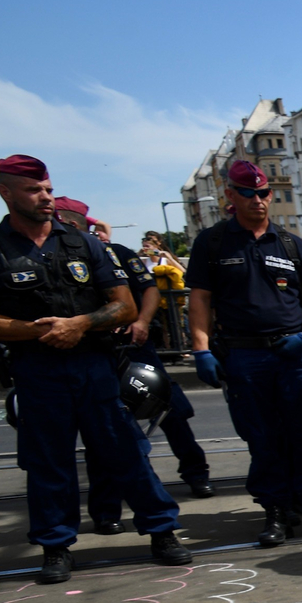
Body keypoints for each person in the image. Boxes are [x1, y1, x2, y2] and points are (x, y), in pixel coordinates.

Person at [0, 156, 190, 581]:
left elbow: (124, 304)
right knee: (47, 461)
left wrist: (80, 324)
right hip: (37, 369)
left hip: (94, 364)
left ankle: (162, 531)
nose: (46, 197)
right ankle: (55, 546)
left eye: (49, 189)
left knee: (125, 451)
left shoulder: (83, 244)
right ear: (6, 193)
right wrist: (37, 333)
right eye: (35, 190)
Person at [186, 160, 302, 547]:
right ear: (230, 196)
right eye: (247, 193)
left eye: (263, 194)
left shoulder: (290, 243)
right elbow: (200, 299)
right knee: (261, 438)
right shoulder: (214, 242)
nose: (257, 201)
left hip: (290, 353)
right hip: (243, 354)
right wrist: (201, 349)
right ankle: (274, 510)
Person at [54, 198, 212, 512]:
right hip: (96, 353)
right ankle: (107, 505)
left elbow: (149, 288)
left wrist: (140, 321)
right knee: (104, 430)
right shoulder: (55, 259)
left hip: (135, 347)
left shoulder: (117, 254)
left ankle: (196, 473)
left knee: (171, 411)